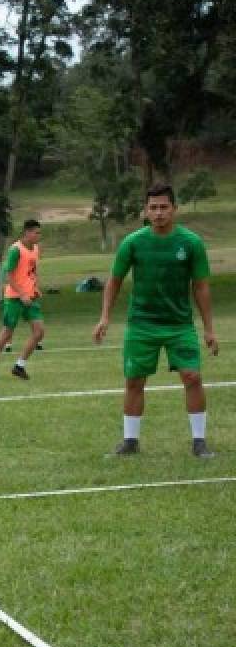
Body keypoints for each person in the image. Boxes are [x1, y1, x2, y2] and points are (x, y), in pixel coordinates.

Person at [93, 183, 219, 457]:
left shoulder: (191, 243)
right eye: (153, 207)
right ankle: (130, 442)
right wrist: (105, 317)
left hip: (180, 325)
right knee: (134, 381)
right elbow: (114, 281)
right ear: (146, 211)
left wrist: (209, 329)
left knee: (192, 377)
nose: (159, 213)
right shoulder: (133, 243)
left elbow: (201, 287)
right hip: (141, 324)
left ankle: (199, 441)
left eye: (164, 207)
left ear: (174, 209)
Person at [0, 219, 45, 381]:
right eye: (36, 233)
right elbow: (8, 276)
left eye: (39, 233)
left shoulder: (36, 249)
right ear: (27, 233)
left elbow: (32, 271)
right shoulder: (15, 250)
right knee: (7, 333)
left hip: (30, 298)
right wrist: (22, 294)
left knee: (39, 332)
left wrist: (36, 287)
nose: (39, 236)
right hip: (14, 298)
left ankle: (19, 366)